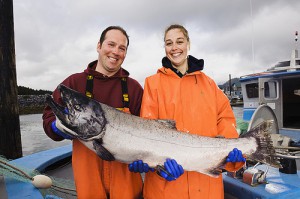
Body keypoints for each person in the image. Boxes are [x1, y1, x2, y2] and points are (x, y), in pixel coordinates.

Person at [129, 24, 245, 199]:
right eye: (169, 43)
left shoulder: (210, 84)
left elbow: (225, 119)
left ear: (188, 44)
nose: (174, 48)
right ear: (165, 48)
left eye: (179, 41)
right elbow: (148, 130)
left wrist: (229, 153)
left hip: (207, 189)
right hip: (166, 189)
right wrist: (157, 167)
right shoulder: (153, 84)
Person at [43, 26, 144, 199]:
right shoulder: (73, 83)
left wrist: (147, 159)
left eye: (122, 48)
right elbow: (48, 119)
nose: (115, 52)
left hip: (127, 182)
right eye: (111, 44)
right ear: (99, 46)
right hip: (89, 184)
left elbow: (148, 129)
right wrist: (56, 127)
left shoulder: (134, 88)